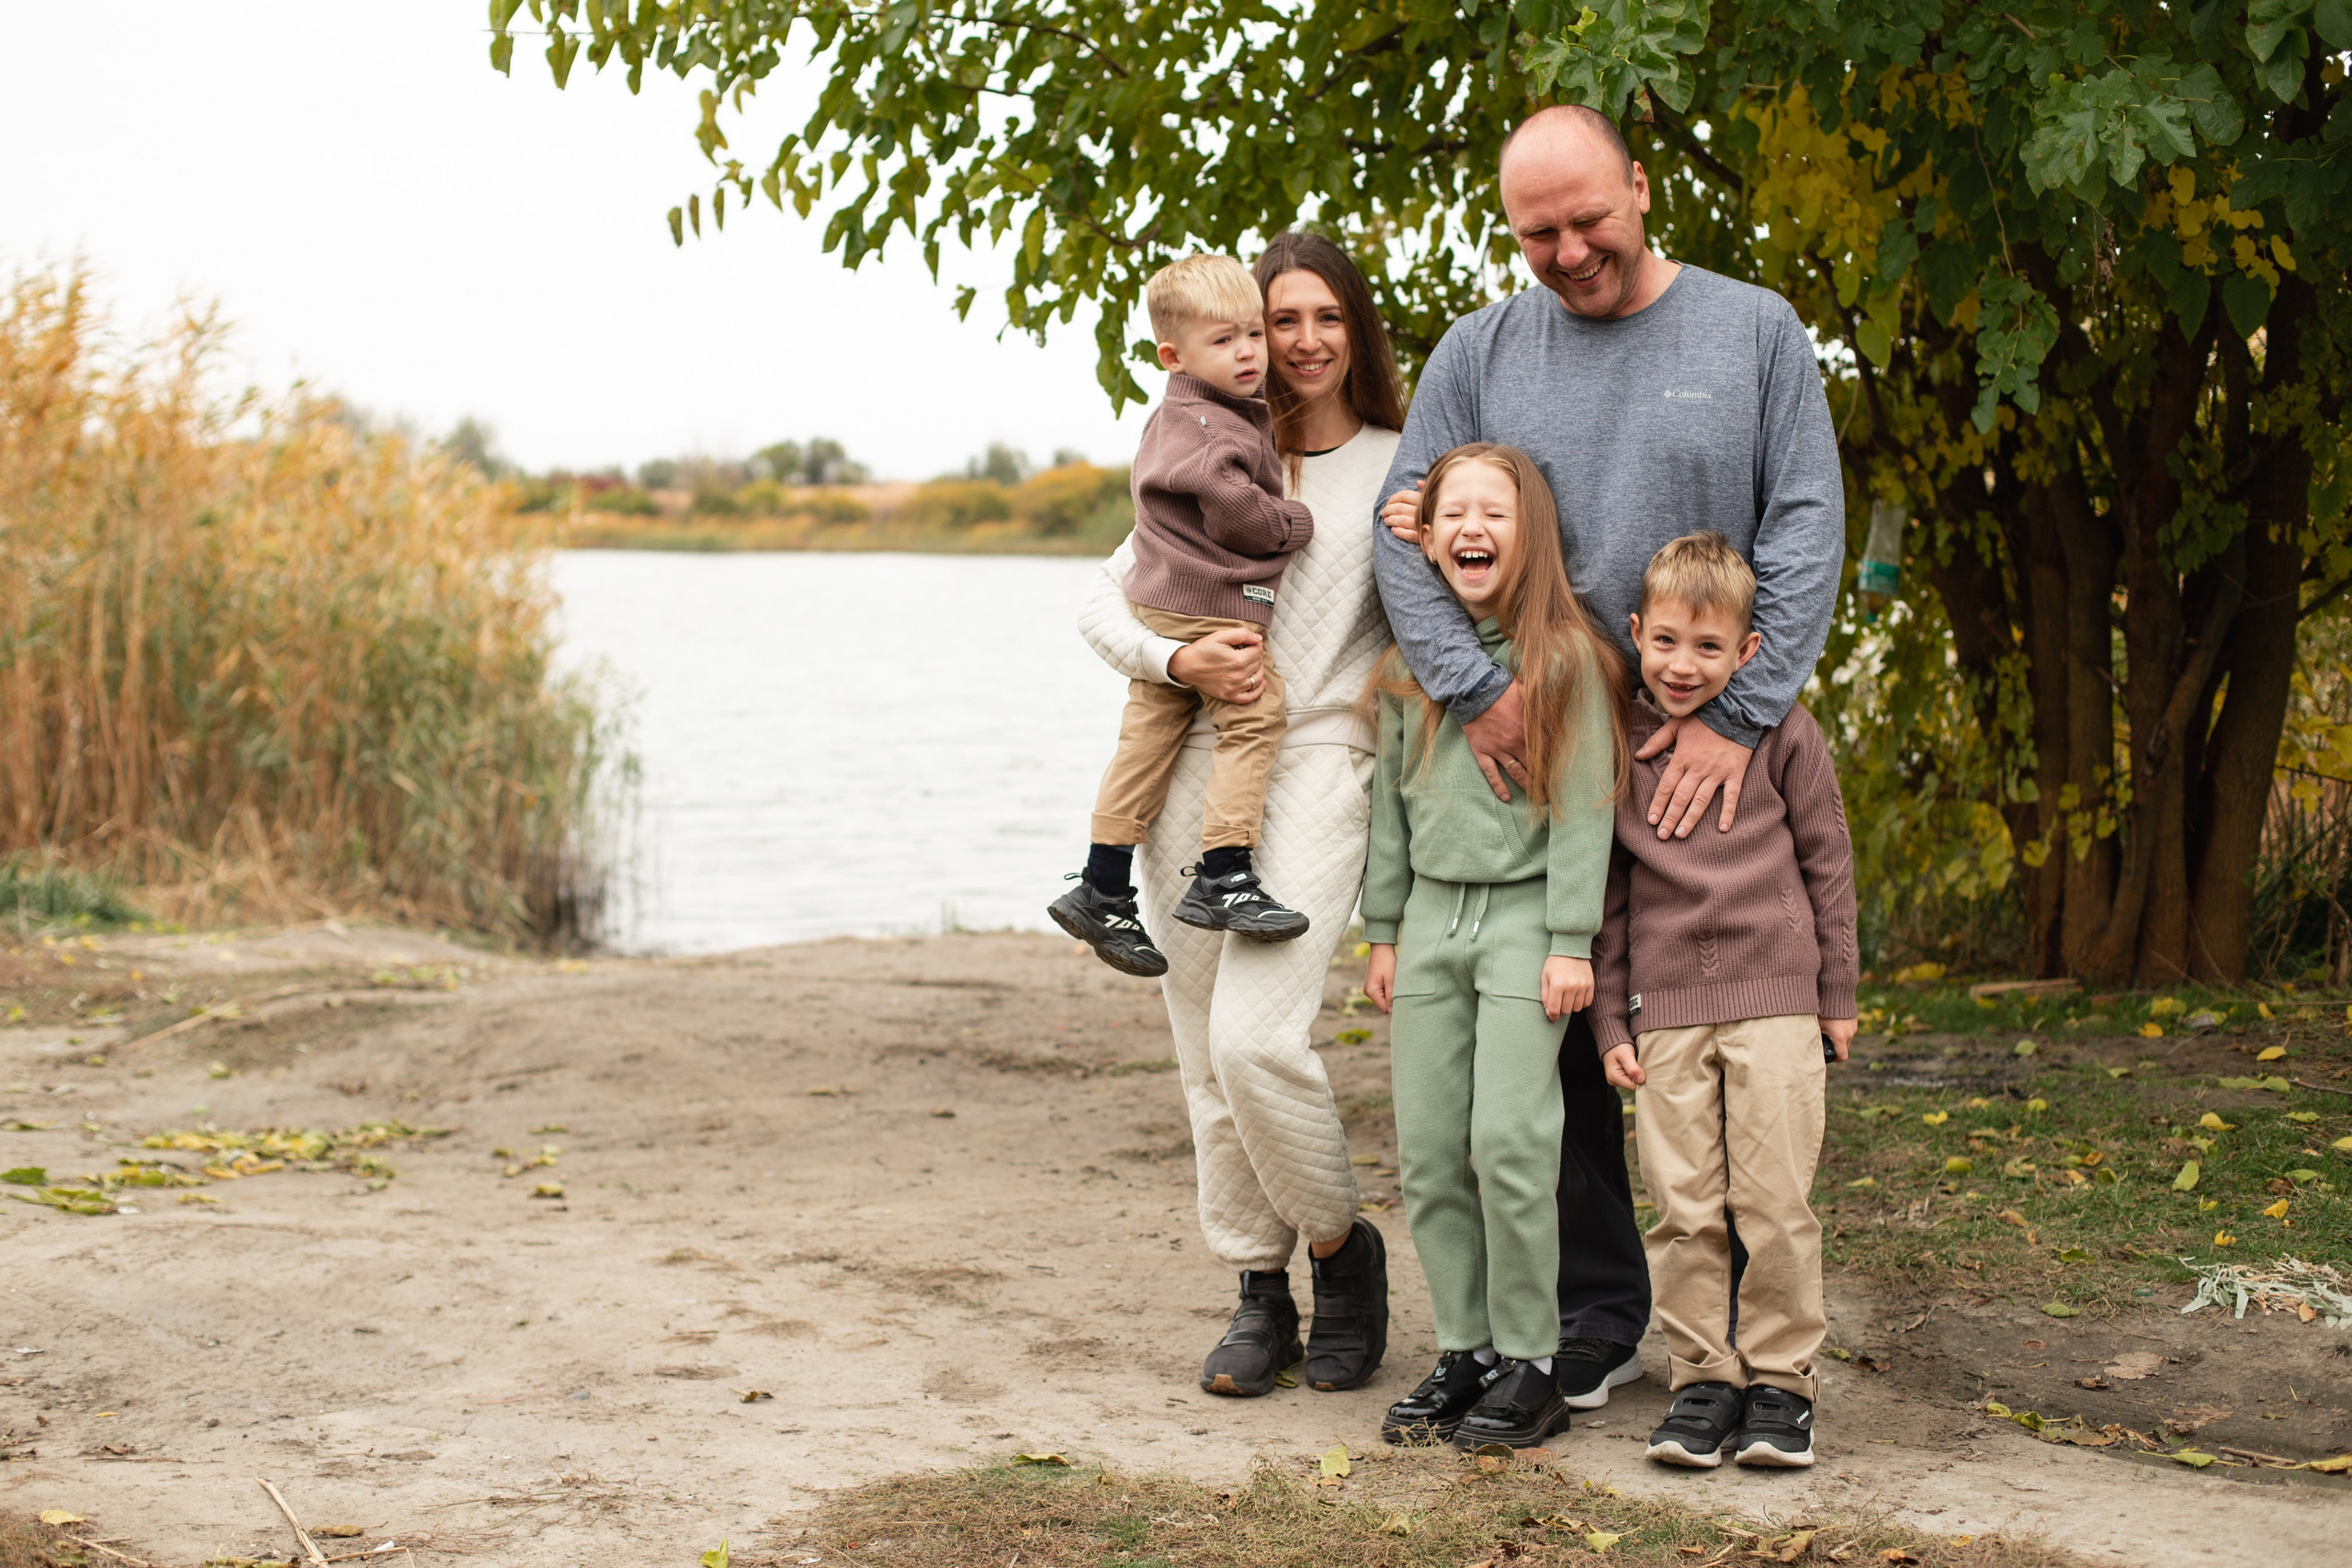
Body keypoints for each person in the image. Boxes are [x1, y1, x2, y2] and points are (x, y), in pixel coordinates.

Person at [1370, 103, 1845, 1411]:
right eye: (1539, 233)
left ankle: (1748, 1349)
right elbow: (1397, 526)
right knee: (1562, 1037)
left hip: (1700, 735)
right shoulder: (1479, 349)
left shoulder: (1754, 331)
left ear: (1641, 187)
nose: (1570, 250)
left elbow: (1805, 524)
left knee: (1707, 1023)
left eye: (1590, 219)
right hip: (1533, 741)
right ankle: (1593, 1310)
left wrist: (1738, 718)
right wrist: (1477, 693)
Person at [1077, 232, 1407, 1397]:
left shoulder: (1399, 466)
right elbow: (1100, 604)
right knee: (1202, 1064)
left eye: (1325, 318)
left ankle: (1339, 1251)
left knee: (1257, 1045)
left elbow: (1445, 621)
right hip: (1189, 775)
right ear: (1238, 337)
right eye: (1276, 320)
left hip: (1316, 767)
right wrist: (1175, 661)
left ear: (1354, 330)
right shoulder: (1209, 445)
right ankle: (1257, 1290)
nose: (1300, 341)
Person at [1360, 444, 1624, 1450]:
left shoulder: (1567, 662)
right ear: (1422, 538)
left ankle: (1532, 1359)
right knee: (1431, 1152)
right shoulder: (1408, 668)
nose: (1472, 528)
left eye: (1494, 513)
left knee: (1509, 1146)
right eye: (1450, 513)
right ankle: (1464, 1348)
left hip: (1524, 926)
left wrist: (1569, 941)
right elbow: (1389, 811)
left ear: (1531, 535)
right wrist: (1382, 930)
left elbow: (1585, 809)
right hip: (1429, 923)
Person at [1590, 532, 1858, 1468]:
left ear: (1748, 651)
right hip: (1662, 1009)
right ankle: (1702, 1379)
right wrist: (1607, 1012)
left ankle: (1782, 1387)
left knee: (1775, 1200)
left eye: (1707, 648)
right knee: (1682, 1203)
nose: (1681, 665)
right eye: (1664, 641)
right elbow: (1611, 890)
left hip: (1777, 998)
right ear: (1635, 634)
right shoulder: (1619, 744)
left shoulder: (1785, 731)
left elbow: (1827, 862)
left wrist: (1837, 993)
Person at [1051, 254, 1316, 976]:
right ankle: (1224, 870)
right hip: (1203, 609)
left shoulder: (1175, 415)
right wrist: (1294, 521)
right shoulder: (1215, 427)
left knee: (1147, 735)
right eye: (1225, 340)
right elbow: (1242, 518)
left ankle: (1102, 882)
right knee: (1257, 712)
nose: (1249, 353)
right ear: (1174, 355)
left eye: (1254, 335)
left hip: (1160, 602)